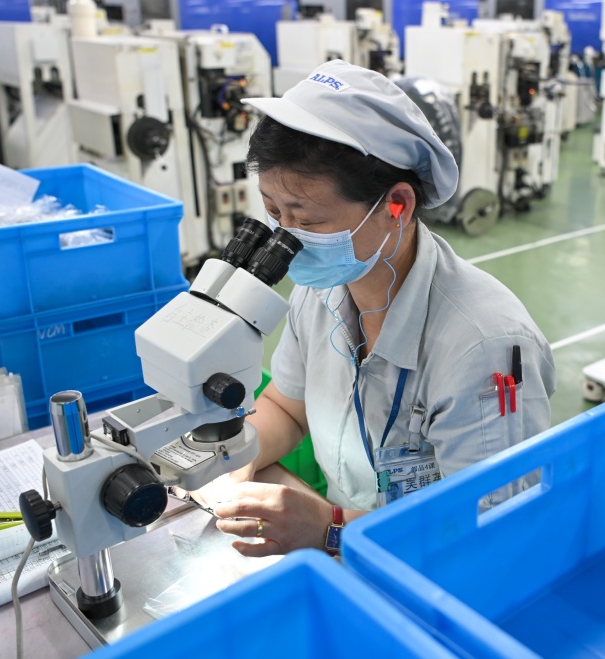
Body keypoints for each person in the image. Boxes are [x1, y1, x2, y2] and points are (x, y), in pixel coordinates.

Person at [207, 60, 556, 557]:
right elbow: (287, 406)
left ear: (398, 205)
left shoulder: (482, 346)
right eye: (274, 212)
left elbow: (491, 527)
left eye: (307, 219)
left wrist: (331, 529)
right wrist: (231, 462)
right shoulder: (321, 290)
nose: (288, 238)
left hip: (439, 573)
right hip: (352, 552)